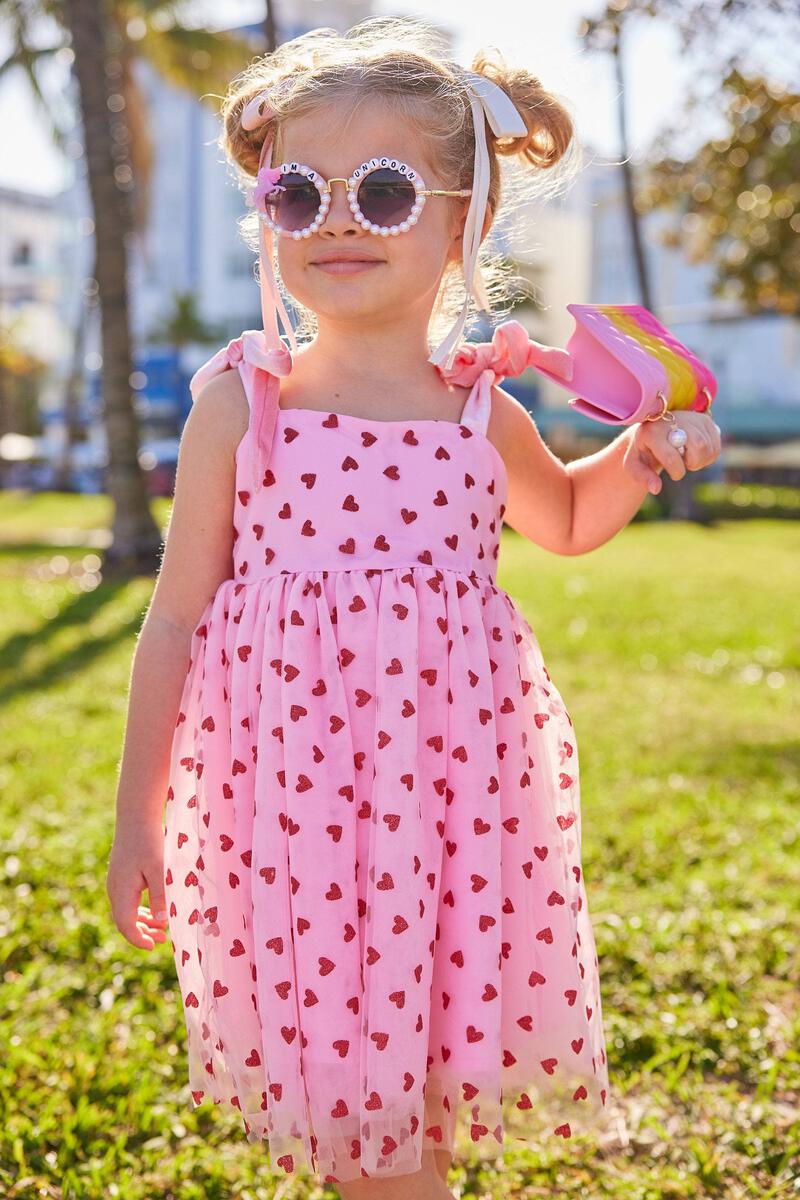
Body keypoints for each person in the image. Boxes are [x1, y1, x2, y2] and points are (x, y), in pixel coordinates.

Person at [106, 16, 721, 1199]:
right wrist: (140, 815)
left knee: (419, 1076)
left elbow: (570, 522)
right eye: (298, 194)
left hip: (448, 805)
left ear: (461, 220)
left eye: (382, 190)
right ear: (268, 219)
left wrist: (646, 453)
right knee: (353, 1107)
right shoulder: (244, 409)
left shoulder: (479, 414)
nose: (336, 219)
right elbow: (176, 618)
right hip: (296, 813)